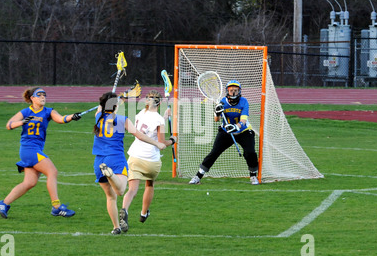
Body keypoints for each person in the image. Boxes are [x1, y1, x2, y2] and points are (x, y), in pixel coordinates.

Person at [0, 87, 82, 218]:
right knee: (52, 171)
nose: (43, 97)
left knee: (29, 183)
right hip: (28, 149)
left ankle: (3, 203)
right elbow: (9, 125)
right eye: (39, 95)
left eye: (44, 95)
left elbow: (61, 119)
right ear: (32, 98)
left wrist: (72, 117)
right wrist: (22, 122)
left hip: (36, 149)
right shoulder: (25, 112)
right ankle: (56, 207)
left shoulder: (48, 111)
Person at [92, 92, 169, 235]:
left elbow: (100, 107)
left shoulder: (98, 117)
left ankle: (116, 227)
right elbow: (140, 135)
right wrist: (157, 144)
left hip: (98, 161)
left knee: (110, 197)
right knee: (120, 190)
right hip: (115, 159)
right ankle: (111, 175)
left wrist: (116, 99)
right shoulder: (122, 120)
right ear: (115, 106)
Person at [120, 90, 176, 231]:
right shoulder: (158, 119)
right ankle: (143, 213)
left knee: (132, 189)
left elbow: (150, 124)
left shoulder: (140, 114)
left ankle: (124, 209)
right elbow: (162, 142)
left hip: (135, 156)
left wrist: (164, 116)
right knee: (149, 185)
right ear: (160, 102)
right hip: (151, 159)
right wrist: (173, 140)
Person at [189, 79, 260, 185]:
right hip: (226, 132)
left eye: (236, 90)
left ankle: (253, 176)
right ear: (227, 91)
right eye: (231, 90)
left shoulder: (244, 101)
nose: (234, 93)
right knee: (214, 152)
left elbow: (244, 120)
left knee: (250, 152)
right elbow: (216, 119)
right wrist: (217, 113)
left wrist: (236, 127)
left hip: (243, 131)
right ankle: (198, 176)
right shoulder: (222, 102)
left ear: (239, 91)